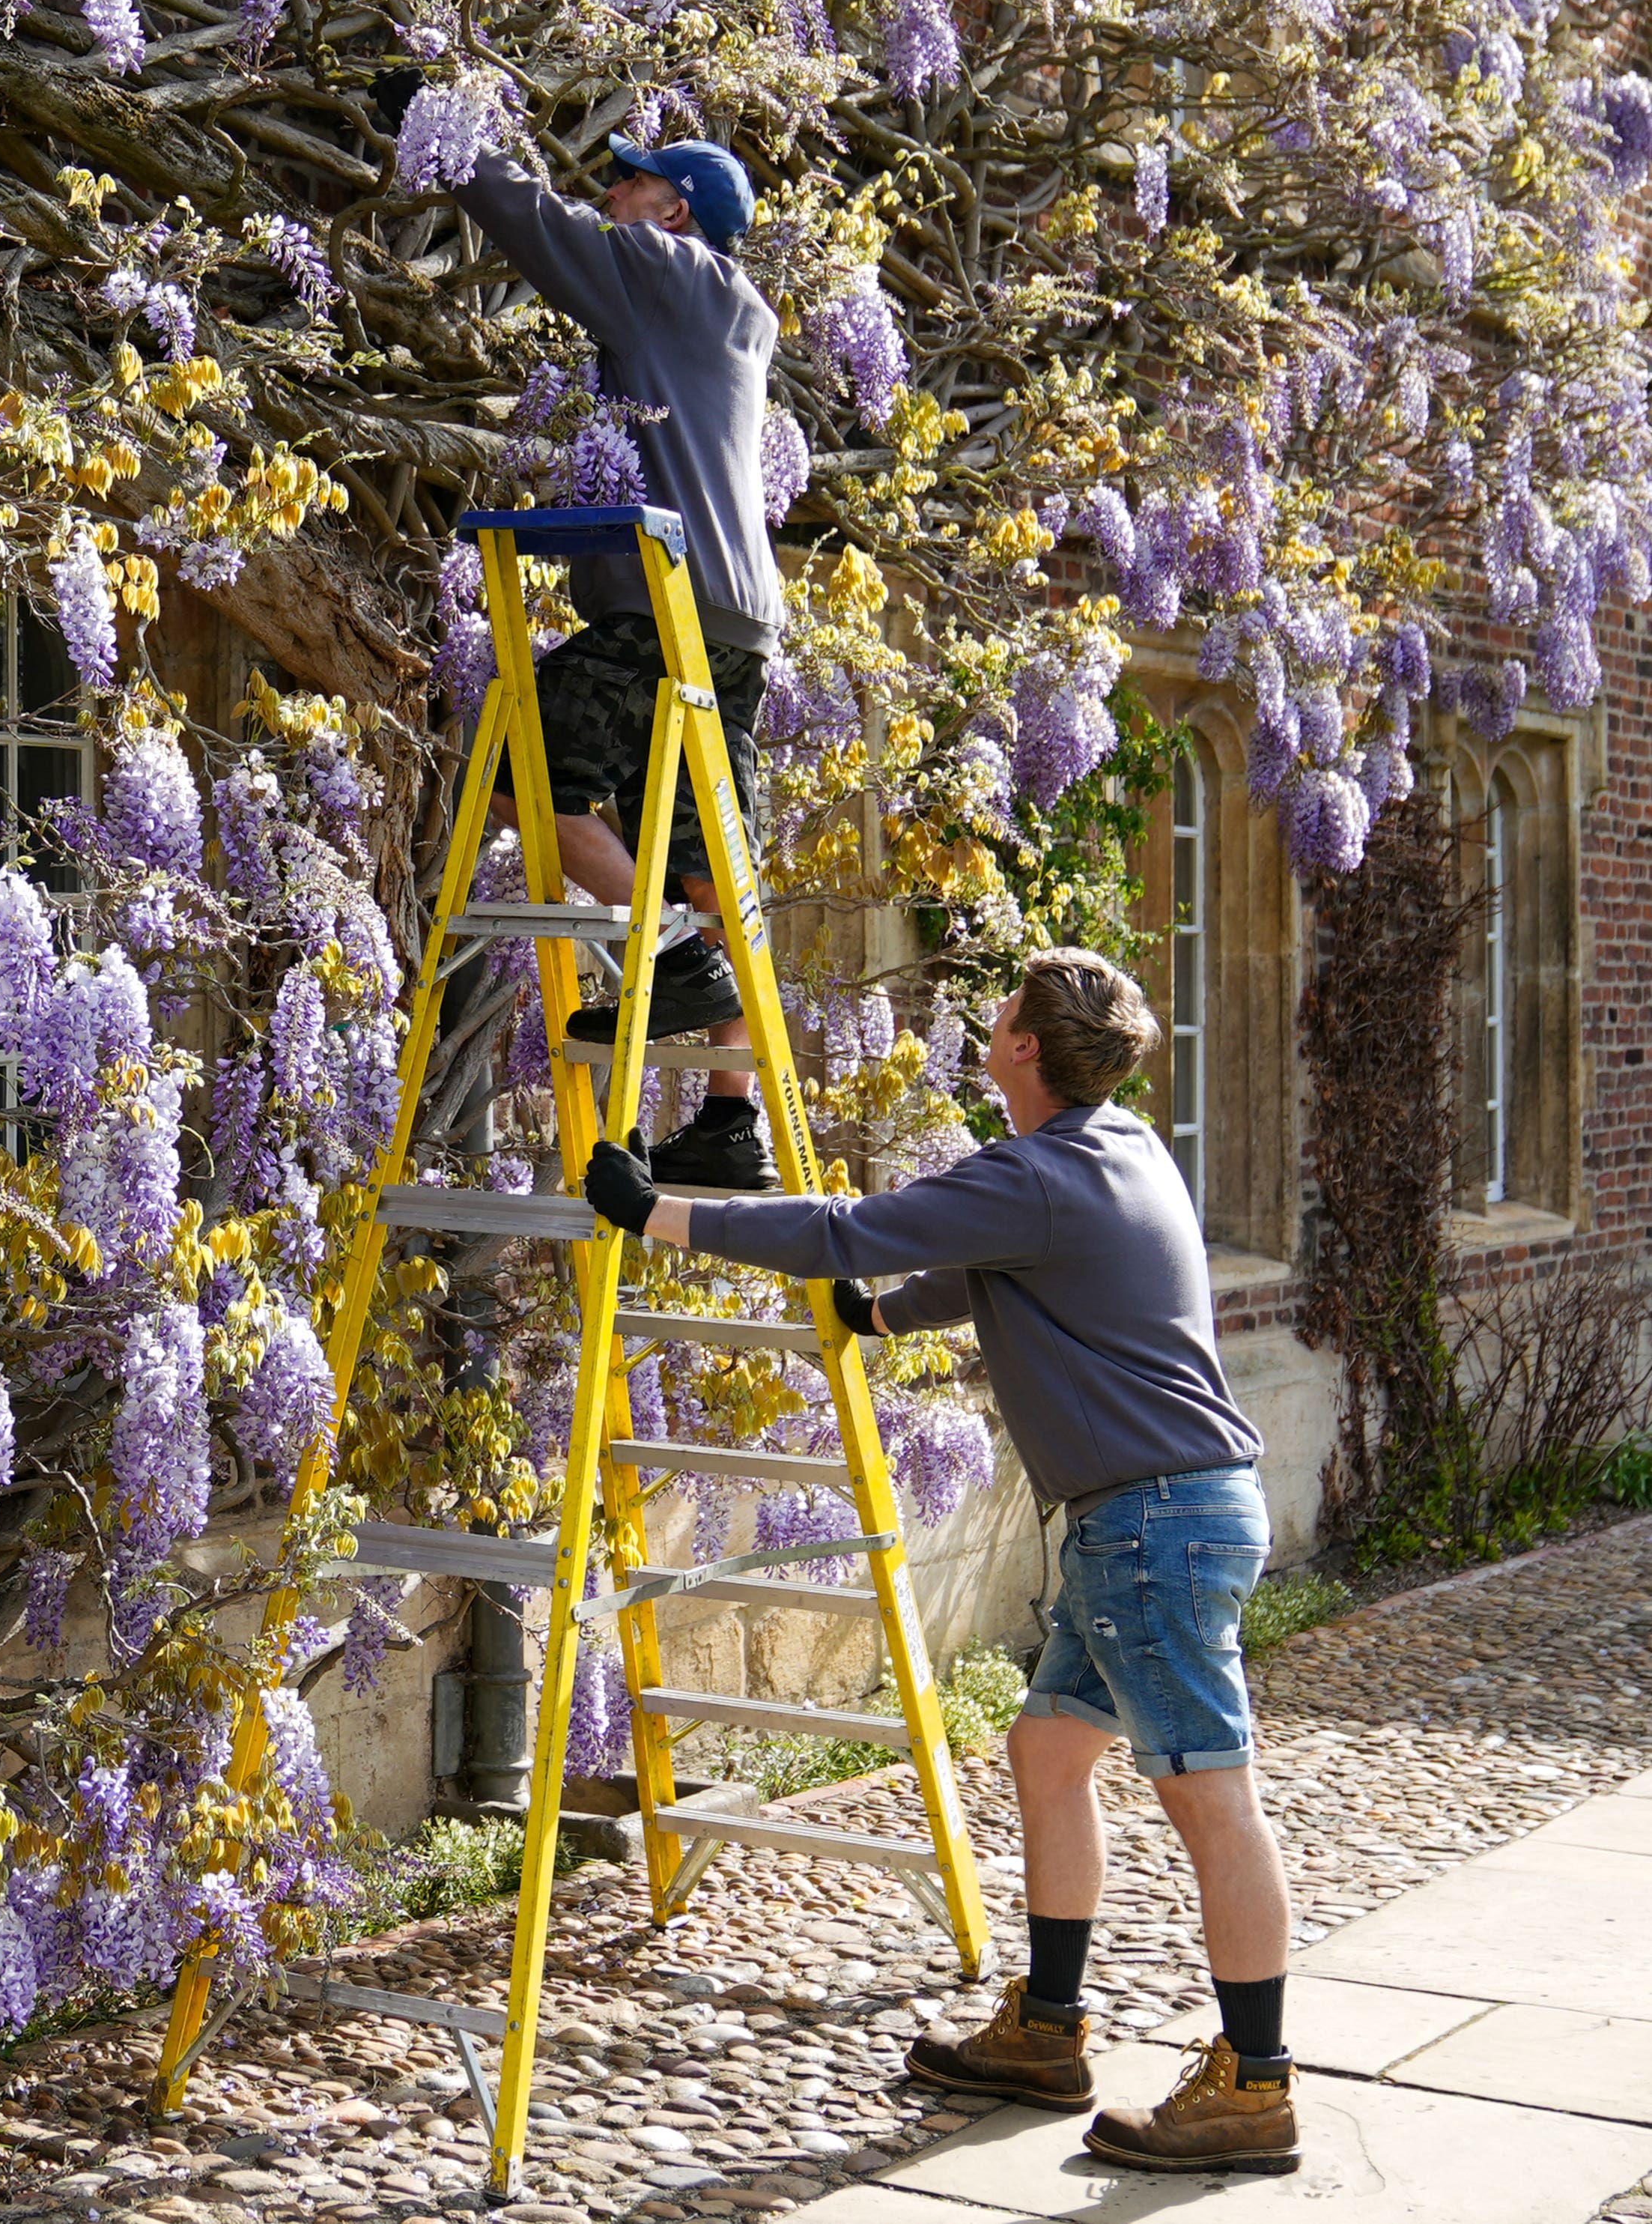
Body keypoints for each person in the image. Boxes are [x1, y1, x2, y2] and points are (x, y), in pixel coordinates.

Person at [579, 949, 1302, 2178]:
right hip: (1149, 1517)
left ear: (1026, 1047)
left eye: (1003, 1008)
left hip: (1154, 1525)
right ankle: (1049, 2028)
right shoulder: (1113, 1151)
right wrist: (879, 1315)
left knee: (1209, 1794)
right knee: (1049, 1747)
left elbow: (843, 1227)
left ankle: (1257, 2083)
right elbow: (981, 1271)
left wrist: (658, 1211)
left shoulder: (1041, 1169)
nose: (989, 1018)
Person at [448, 122, 786, 1187]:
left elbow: (540, 230)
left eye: (633, 182)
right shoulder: (740, 316)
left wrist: (451, 126)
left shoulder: (663, 268)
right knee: (701, 861)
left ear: (674, 210)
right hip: (738, 623)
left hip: (659, 600)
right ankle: (733, 1126)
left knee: (523, 777)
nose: (614, 193)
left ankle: (672, 959)